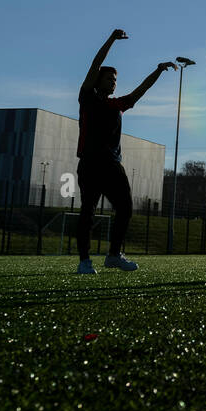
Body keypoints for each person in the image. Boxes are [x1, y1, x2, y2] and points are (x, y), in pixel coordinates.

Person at [76, 29, 175, 274]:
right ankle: (84, 261)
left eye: (115, 81)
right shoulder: (87, 97)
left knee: (126, 207)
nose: (113, 83)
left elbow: (140, 91)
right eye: (109, 79)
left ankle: (113, 255)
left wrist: (158, 70)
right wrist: (111, 39)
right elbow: (96, 63)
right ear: (98, 81)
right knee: (88, 211)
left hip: (112, 164)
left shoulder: (117, 104)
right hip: (90, 163)